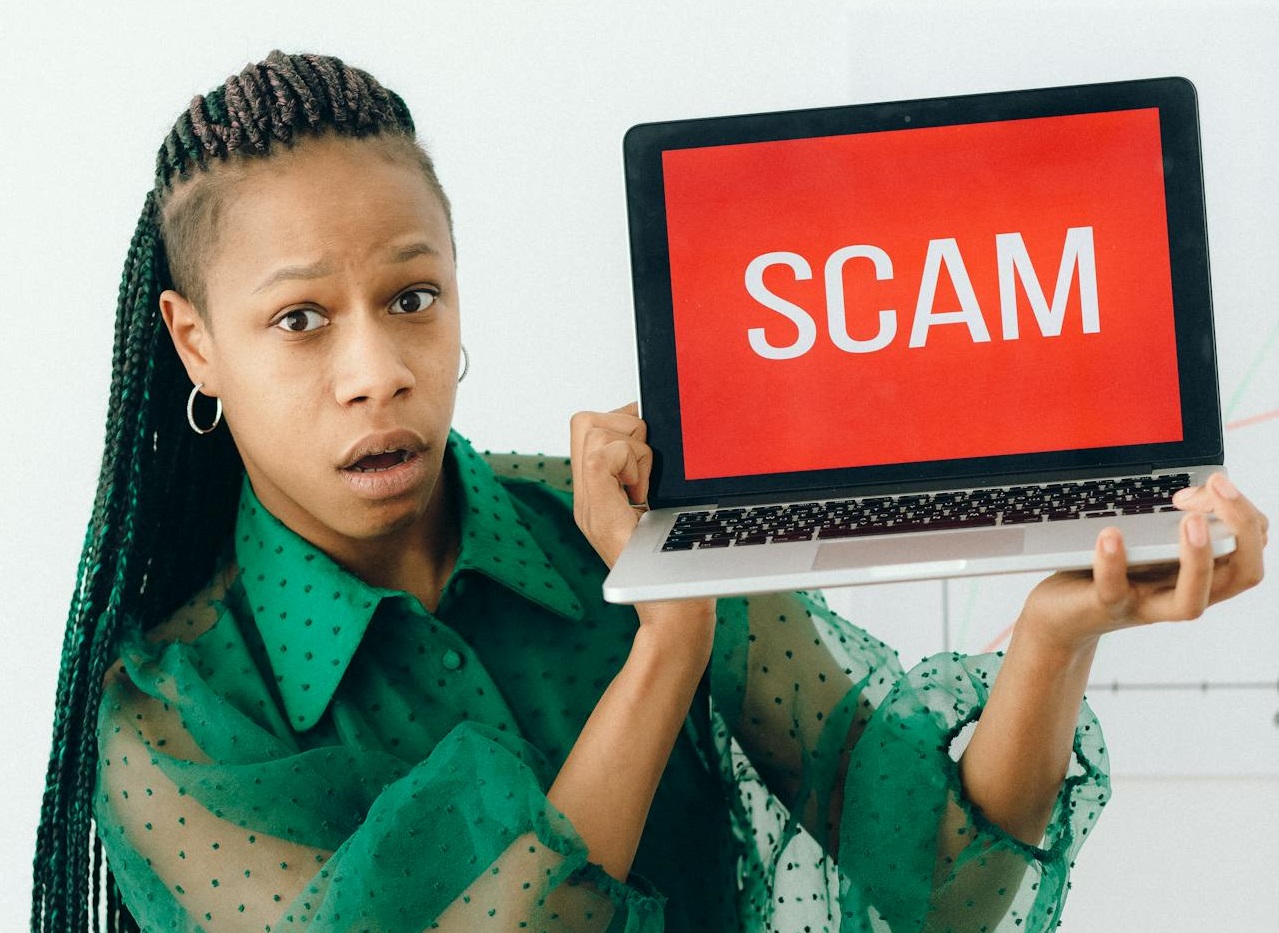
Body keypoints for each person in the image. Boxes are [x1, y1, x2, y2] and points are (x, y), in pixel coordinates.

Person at [30, 51, 1267, 933]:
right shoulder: (174, 724)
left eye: (412, 297)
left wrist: (1057, 625)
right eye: (300, 319)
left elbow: (945, 888)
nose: (377, 372)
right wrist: (668, 642)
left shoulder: (616, 527)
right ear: (197, 344)